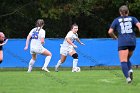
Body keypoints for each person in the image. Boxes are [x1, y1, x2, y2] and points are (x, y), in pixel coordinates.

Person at [108, 5, 140, 83]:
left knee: (123, 61)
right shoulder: (133, 18)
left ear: (120, 12)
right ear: (128, 12)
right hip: (132, 42)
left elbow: (110, 32)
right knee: (127, 58)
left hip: (123, 42)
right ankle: (130, 70)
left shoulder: (116, 20)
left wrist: (114, 37)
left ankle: (128, 78)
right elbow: (139, 26)